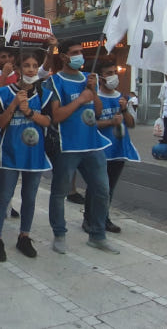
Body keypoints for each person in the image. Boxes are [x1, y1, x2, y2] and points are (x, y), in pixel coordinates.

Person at [45, 39, 118, 254]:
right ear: (64, 57)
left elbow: (97, 111)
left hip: (93, 145)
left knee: (102, 190)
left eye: (81, 52)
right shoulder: (55, 82)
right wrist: (80, 100)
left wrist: (93, 92)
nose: (80, 56)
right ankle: (59, 234)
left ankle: (97, 234)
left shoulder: (88, 78)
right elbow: (56, 116)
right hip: (67, 146)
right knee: (60, 192)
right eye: (75, 52)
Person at [0, 53, 52, 262]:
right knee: (3, 197)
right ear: (17, 69)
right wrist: (14, 104)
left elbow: (48, 122)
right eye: (26, 65)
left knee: (30, 197)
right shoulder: (3, 93)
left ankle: (24, 236)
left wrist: (30, 113)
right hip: (9, 153)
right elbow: (0, 123)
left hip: (34, 154)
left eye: (35, 66)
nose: (31, 69)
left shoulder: (44, 93)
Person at [84, 61, 139, 234]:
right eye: (109, 73)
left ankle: (104, 218)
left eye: (115, 72)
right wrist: (110, 122)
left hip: (118, 149)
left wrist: (124, 110)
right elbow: (90, 123)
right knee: (96, 186)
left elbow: (131, 124)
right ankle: (89, 219)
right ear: (100, 77)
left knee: (109, 188)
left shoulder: (122, 97)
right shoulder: (94, 98)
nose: (114, 75)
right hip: (100, 150)